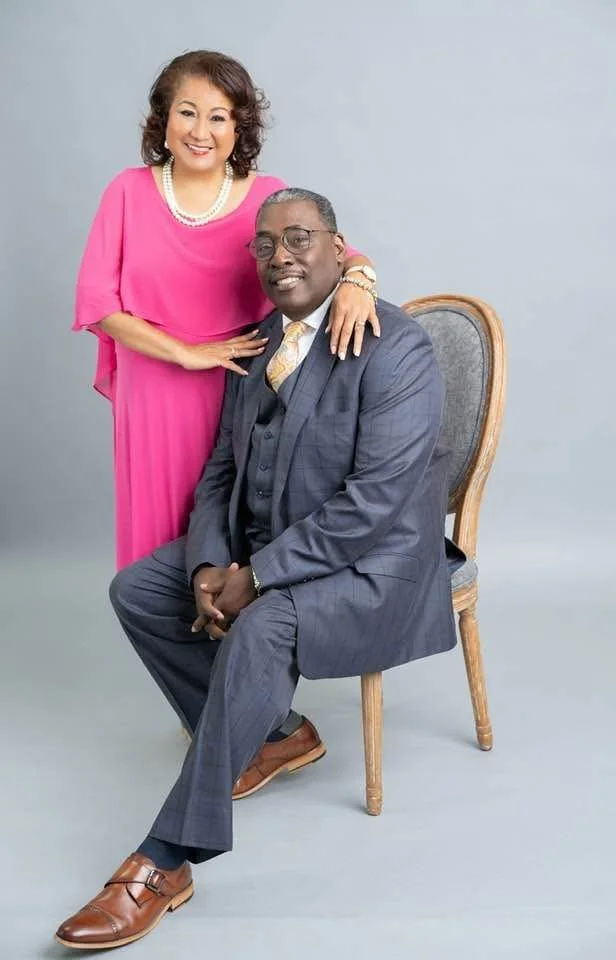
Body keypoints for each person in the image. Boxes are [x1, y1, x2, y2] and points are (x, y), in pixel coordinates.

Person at [56, 188, 457, 951]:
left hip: (376, 568)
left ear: (343, 251)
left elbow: (373, 505)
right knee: (140, 589)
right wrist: (210, 562)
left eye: (300, 240)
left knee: (264, 624)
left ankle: (168, 857)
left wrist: (258, 575)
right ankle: (274, 729)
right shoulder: (259, 340)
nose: (281, 258)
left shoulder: (397, 347)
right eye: (266, 246)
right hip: (270, 547)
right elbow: (218, 469)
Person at [74, 50, 379, 571]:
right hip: (154, 390)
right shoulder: (126, 191)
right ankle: (166, 647)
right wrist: (185, 353)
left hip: (245, 384)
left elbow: (342, 254)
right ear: (164, 119)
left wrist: (359, 280)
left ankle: (239, 651)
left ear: (238, 129)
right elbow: (99, 304)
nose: (201, 130)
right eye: (187, 111)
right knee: (155, 541)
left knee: (236, 529)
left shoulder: (266, 196)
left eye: (219, 117)